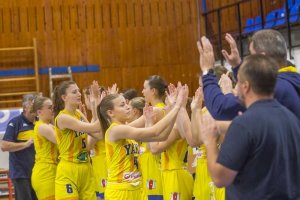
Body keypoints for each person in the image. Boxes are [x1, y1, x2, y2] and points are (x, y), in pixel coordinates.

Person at [198, 52, 300, 199]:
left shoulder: (245, 124)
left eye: (238, 82)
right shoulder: (292, 119)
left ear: (245, 86)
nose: (236, 87)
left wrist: (210, 141)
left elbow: (220, 178)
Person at [97, 85, 187, 200]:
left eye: (126, 103)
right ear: (111, 113)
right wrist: (177, 106)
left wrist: (175, 107)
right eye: (122, 105)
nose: (127, 107)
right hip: (120, 191)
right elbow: (155, 131)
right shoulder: (115, 130)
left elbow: (162, 135)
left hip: (138, 189)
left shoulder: (126, 129)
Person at [198, 29, 300, 121]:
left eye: (252, 56)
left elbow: (222, 108)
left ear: (263, 58)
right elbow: (255, 81)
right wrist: (237, 65)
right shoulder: (291, 79)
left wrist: (207, 71)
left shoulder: (274, 88)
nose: (250, 60)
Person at [53, 80, 102, 200]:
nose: (79, 94)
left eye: (79, 91)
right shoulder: (62, 118)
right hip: (69, 169)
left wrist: (95, 104)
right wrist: (99, 103)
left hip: (86, 167)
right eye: (74, 92)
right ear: (64, 97)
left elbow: (98, 135)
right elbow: (95, 126)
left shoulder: (79, 113)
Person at [0, 94, 37, 200]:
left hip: (38, 172)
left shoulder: (40, 122)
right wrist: (25, 144)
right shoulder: (15, 122)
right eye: (32, 105)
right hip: (21, 174)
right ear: (25, 107)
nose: (35, 108)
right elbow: (4, 145)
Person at [31, 96, 58, 200]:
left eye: (53, 107)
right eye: (50, 108)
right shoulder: (42, 127)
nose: (52, 110)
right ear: (39, 112)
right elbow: (62, 142)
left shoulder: (49, 126)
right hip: (45, 173)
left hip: (52, 169)